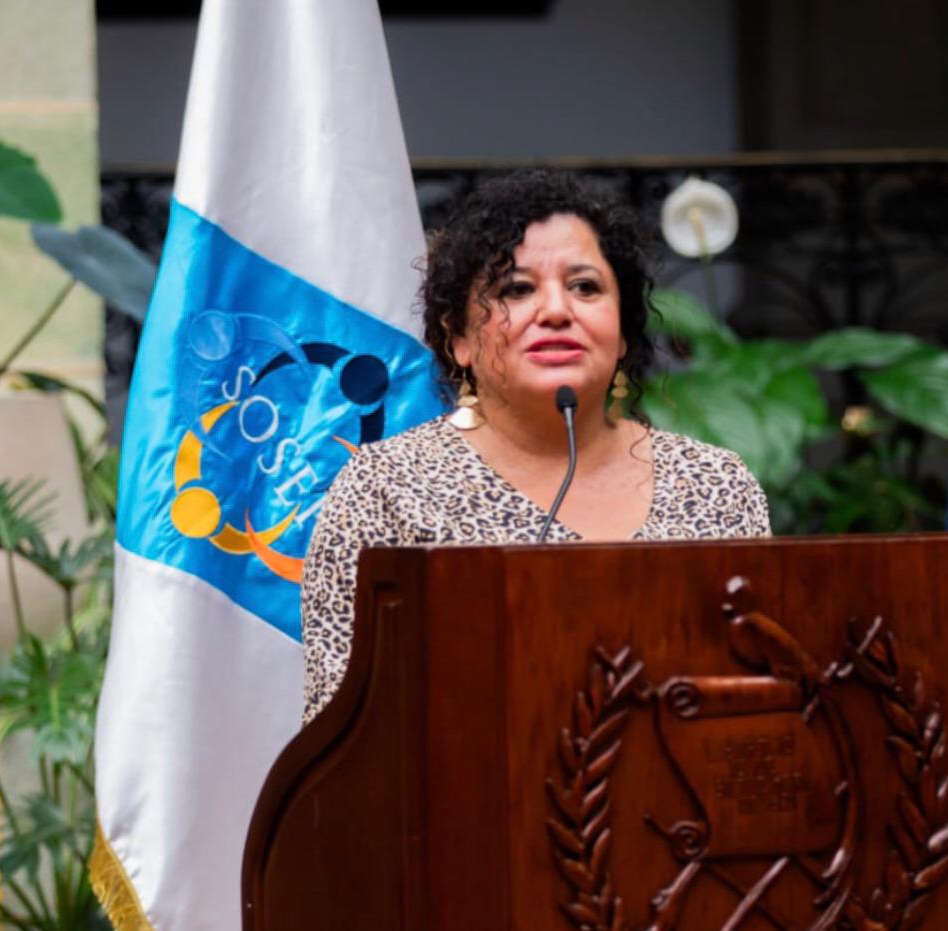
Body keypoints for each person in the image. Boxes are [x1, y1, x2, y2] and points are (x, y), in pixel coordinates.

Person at [301, 169, 771, 725]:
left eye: (586, 287)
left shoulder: (716, 484)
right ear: (458, 338)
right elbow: (345, 728)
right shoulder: (385, 489)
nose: (555, 311)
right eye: (517, 290)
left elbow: (759, 699)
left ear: (622, 333)